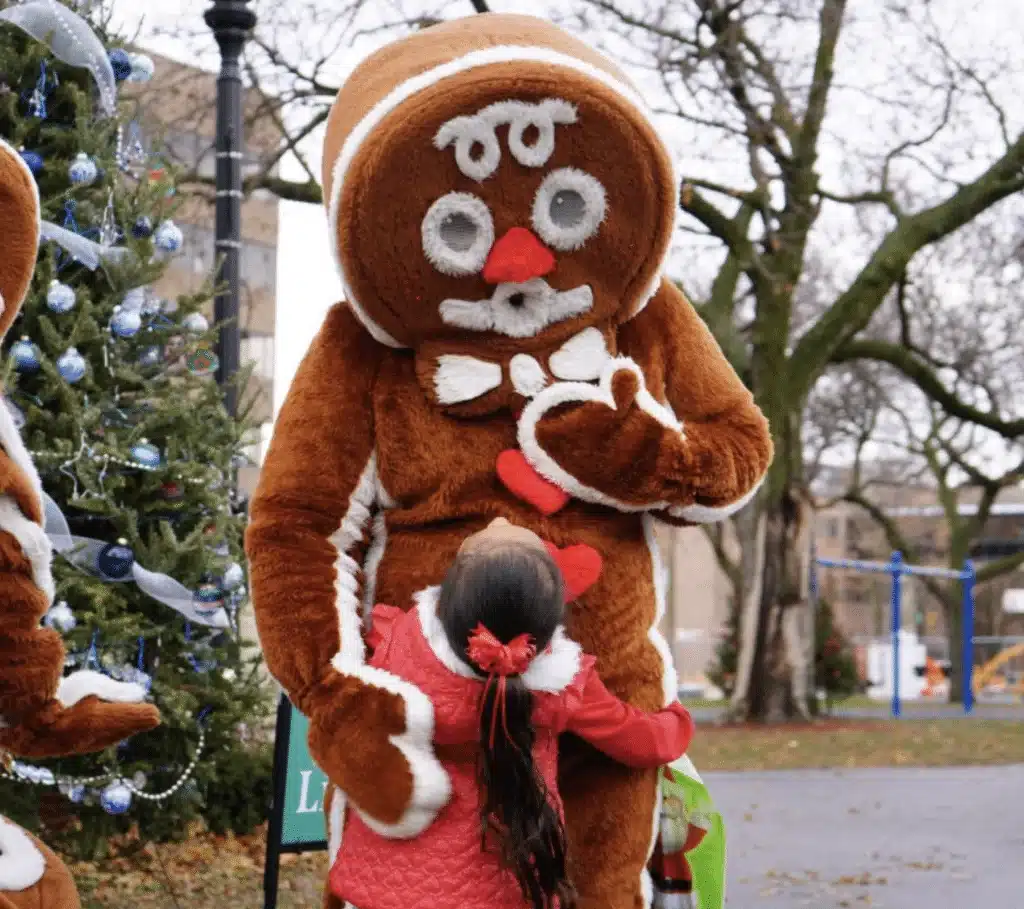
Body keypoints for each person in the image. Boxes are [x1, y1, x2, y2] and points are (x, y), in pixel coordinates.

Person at [328, 518, 694, 909]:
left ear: (450, 598)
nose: (501, 520)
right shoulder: (563, 686)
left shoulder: (393, 642)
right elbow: (642, 740)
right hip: (503, 884)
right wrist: (675, 719)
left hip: (389, 881)